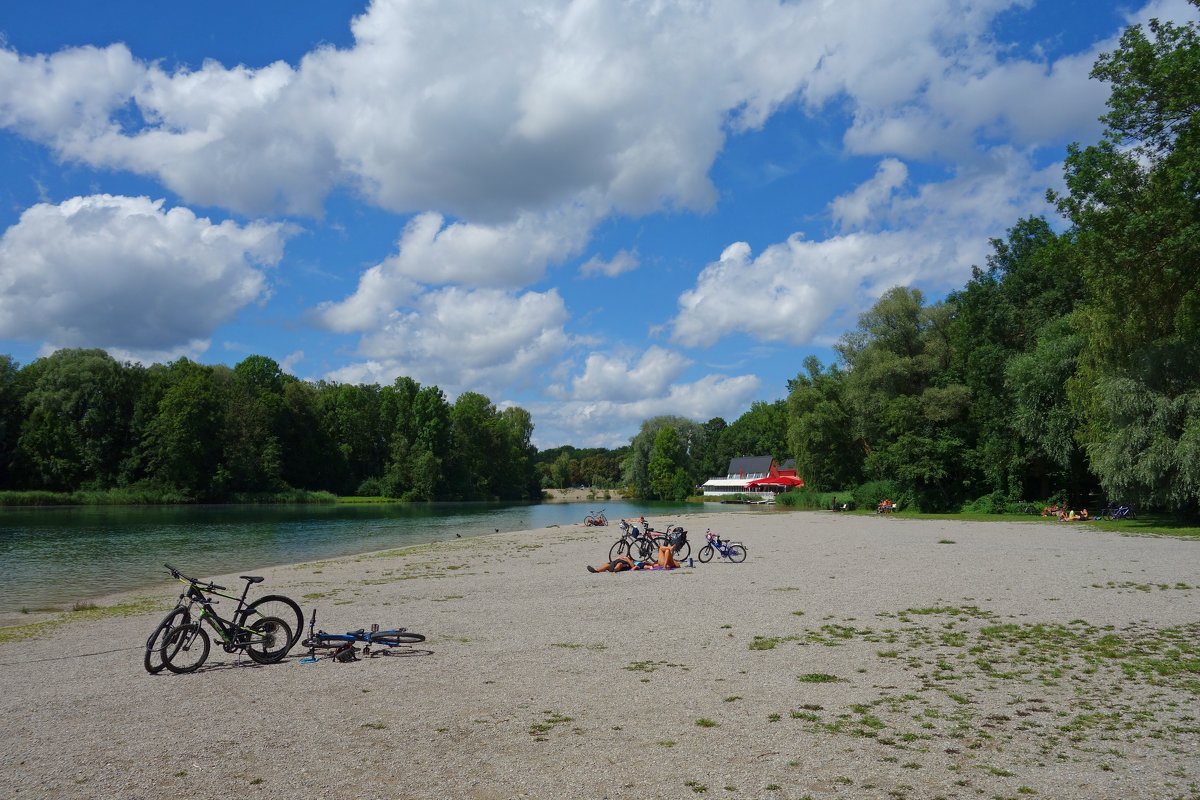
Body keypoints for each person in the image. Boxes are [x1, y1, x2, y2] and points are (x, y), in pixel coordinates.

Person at [587, 545, 679, 573]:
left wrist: (627, 560)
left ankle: (613, 570)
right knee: (607, 564)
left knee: (619, 565)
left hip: (625, 564)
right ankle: (597, 570)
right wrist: (620, 557)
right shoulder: (638, 561)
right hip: (619, 561)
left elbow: (633, 567)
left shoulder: (638, 564)